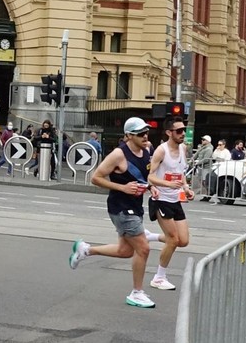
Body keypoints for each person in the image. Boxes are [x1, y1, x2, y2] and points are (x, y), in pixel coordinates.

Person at [70, 117, 157, 308]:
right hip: (120, 207)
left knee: (125, 251)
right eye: (141, 134)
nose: (145, 136)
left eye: (146, 132)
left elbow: (143, 175)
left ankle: (85, 249)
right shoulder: (118, 154)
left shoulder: (147, 150)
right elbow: (96, 178)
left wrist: (150, 187)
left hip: (135, 205)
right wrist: (123, 188)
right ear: (128, 136)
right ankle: (137, 293)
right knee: (143, 248)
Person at [146, 117, 192, 290]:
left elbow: (181, 174)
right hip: (161, 200)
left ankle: (151, 236)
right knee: (173, 240)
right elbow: (150, 176)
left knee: (184, 241)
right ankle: (159, 277)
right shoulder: (160, 151)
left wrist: (186, 188)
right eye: (179, 131)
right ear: (168, 133)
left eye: (184, 130)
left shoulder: (183, 149)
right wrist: (166, 185)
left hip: (175, 200)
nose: (182, 134)